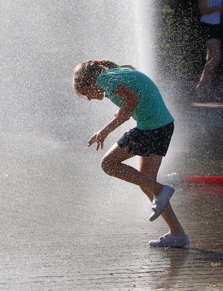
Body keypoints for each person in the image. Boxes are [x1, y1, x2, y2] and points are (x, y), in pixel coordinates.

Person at [73, 60, 189, 248]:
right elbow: (135, 98)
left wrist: (105, 131)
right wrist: (121, 112)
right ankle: (178, 234)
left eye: (86, 93)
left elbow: (132, 98)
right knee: (145, 181)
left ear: (89, 82)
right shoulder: (116, 73)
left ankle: (161, 190)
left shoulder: (104, 80)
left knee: (108, 164)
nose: (88, 98)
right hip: (163, 125)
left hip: (151, 128)